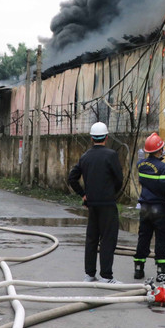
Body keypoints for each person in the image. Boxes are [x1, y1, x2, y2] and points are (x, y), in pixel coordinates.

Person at [68, 121, 124, 283]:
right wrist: (111, 192)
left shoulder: (85, 156)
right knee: (107, 239)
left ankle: (90, 274)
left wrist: (83, 194)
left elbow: (72, 178)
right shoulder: (111, 155)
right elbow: (119, 179)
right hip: (107, 203)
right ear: (106, 137)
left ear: (92, 138)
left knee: (92, 238)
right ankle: (106, 276)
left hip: (92, 204)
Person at [132, 132, 165, 281]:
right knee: (161, 239)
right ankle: (161, 273)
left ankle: (138, 269)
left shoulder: (141, 165)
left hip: (145, 207)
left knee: (144, 237)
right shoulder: (163, 168)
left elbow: (145, 168)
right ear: (159, 150)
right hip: (160, 208)